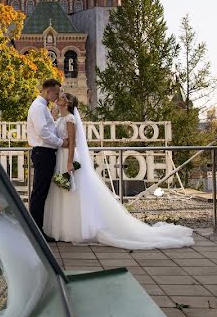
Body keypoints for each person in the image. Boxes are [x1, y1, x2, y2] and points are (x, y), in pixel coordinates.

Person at [45, 92, 195, 249]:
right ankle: (64, 228)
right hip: (60, 157)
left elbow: (73, 142)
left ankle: (75, 229)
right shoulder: (61, 118)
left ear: (67, 103)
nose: (58, 98)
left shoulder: (70, 119)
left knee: (72, 192)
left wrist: (69, 162)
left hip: (68, 158)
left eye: (62, 97)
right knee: (63, 191)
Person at [26, 79, 67, 241]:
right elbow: (43, 131)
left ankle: (38, 229)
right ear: (48, 91)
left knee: (41, 191)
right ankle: (36, 231)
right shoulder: (38, 107)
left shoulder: (42, 107)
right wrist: (60, 142)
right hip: (43, 153)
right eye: (56, 93)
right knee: (39, 192)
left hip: (45, 153)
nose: (57, 96)